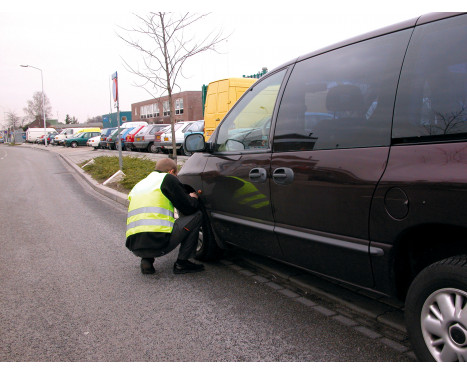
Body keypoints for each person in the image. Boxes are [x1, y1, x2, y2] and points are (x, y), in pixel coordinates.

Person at [125, 158, 204, 275]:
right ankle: (182, 263)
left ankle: (146, 259)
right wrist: (193, 197)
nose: (176, 177)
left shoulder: (139, 184)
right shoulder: (168, 179)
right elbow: (189, 208)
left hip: (134, 245)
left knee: (150, 224)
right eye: (176, 174)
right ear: (171, 172)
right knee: (196, 215)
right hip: (159, 242)